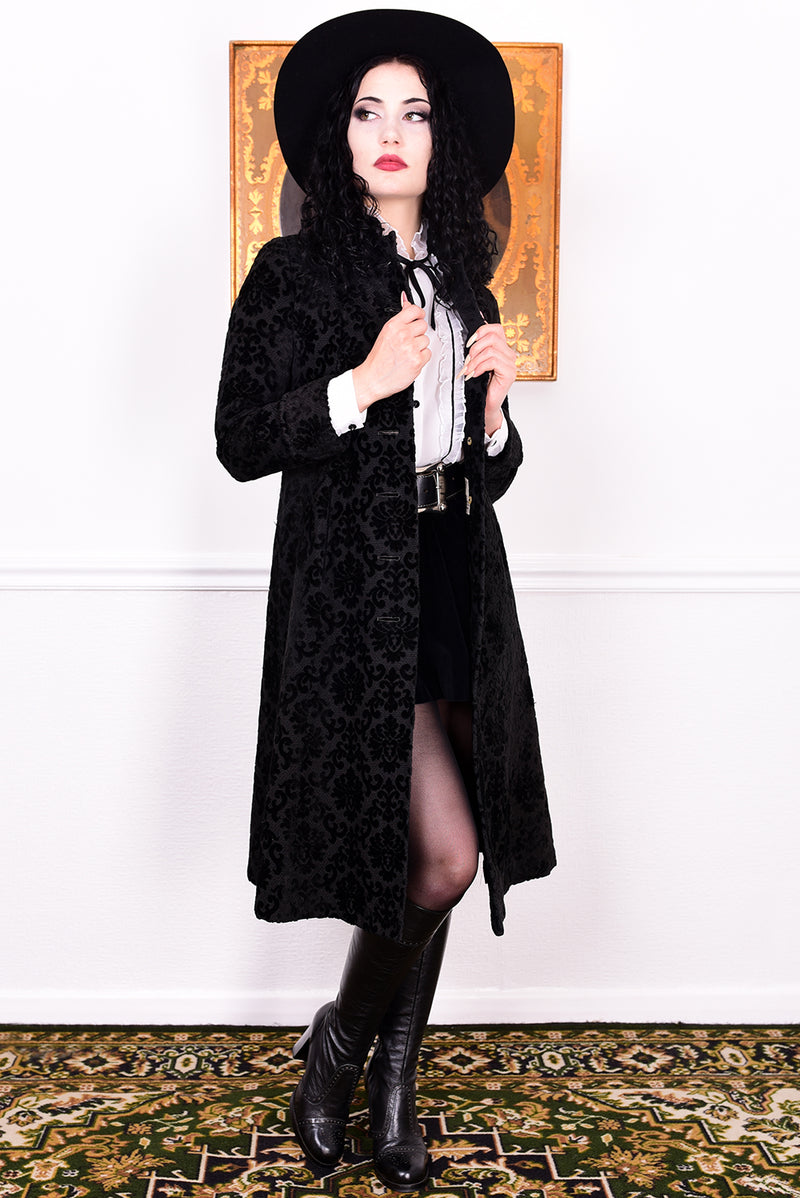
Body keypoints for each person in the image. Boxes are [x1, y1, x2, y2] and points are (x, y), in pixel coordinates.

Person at [216, 10, 556, 1191]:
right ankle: (347, 1045)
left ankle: (389, 1070)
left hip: (460, 583)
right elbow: (242, 438)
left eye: (413, 112)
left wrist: (499, 411)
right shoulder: (292, 274)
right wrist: (359, 383)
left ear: (439, 138)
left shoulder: (463, 278)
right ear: (338, 135)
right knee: (441, 855)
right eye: (369, 110)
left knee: (449, 840)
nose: (392, 133)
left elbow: (482, 469)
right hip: (356, 600)